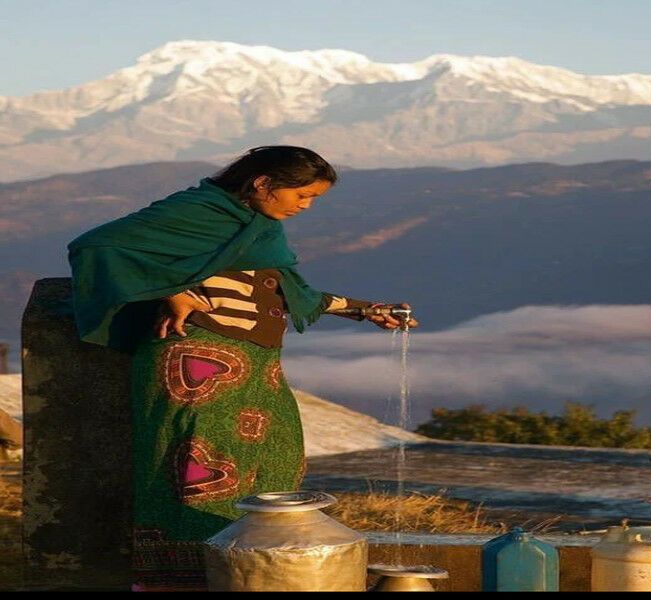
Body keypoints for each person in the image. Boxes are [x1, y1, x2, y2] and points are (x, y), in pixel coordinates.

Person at [67, 145, 418, 591]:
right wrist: (171, 291)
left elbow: (279, 290)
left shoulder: (255, 228)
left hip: (256, 364)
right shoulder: (197, 211)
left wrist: (365, 310)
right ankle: (178, 580)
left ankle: (255, 573)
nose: (304, 207)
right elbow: (97, 246)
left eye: (313, 199)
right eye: (301, 195)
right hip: (197, 364)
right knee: (194, 469)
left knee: (275, 458)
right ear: (262, 183)